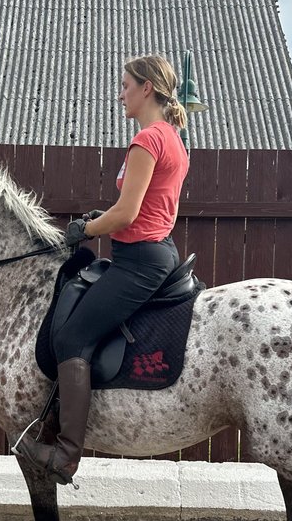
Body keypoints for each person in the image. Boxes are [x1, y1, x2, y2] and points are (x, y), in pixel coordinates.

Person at [14, 54, 191, 485]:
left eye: (126, 85)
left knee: (73, 336)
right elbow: (141, 207)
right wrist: (103, 216)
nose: (120, 93)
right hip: (155, 251)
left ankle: (66, 456)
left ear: (146, 88)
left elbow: (128, 214)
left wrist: (85, 228)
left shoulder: (147, 140)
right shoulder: (171, 138)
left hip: (140, 260)